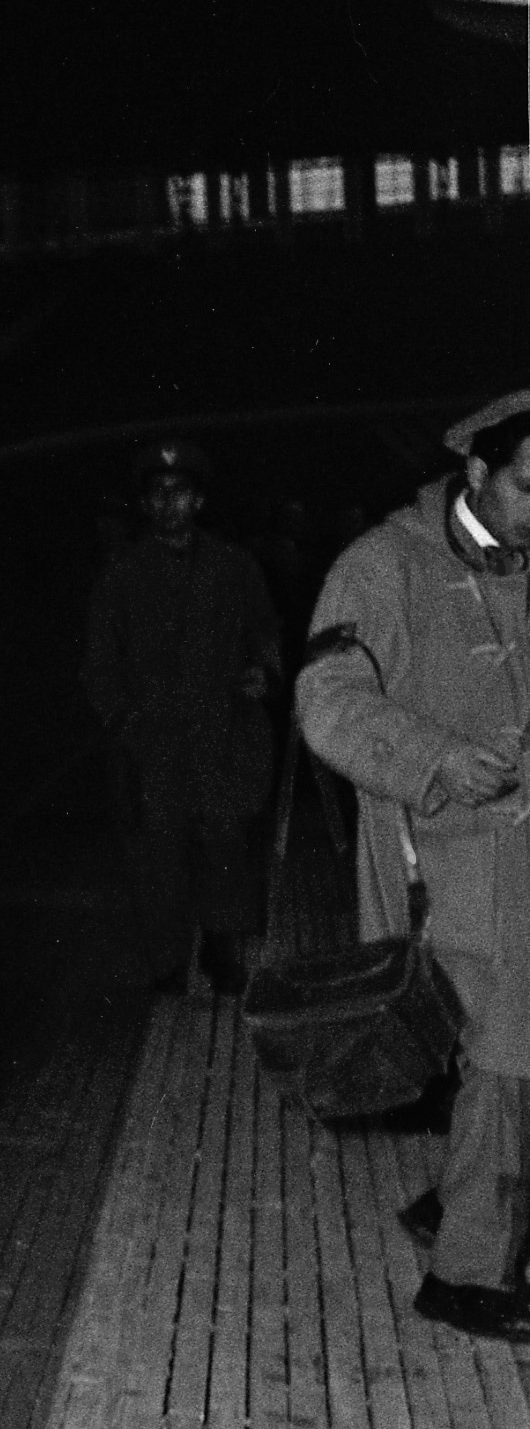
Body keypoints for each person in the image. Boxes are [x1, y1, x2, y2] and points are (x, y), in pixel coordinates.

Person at [297, 390, 530, 1341]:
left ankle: (452, 1199)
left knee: (500, 1063)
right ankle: (466, 1274)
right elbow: (326, 699)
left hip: (520, 860)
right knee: (511, 1060)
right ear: (477, 470)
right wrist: (435, 756)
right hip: (447, 865)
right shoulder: (384, 566)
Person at [82, 438, 283, 994]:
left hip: (221, 729)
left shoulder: (233, 566)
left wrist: (262, 673)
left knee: (224, 844)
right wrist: (125, 726)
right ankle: (166, 962)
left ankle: (222, 954)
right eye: (160, 494)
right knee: (158, 853)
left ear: (199, 501)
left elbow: (265, 629)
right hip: (156, 738)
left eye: (183, 493)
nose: (171, 503)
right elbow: (99, 662)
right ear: (146, 505)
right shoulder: (121, 577)